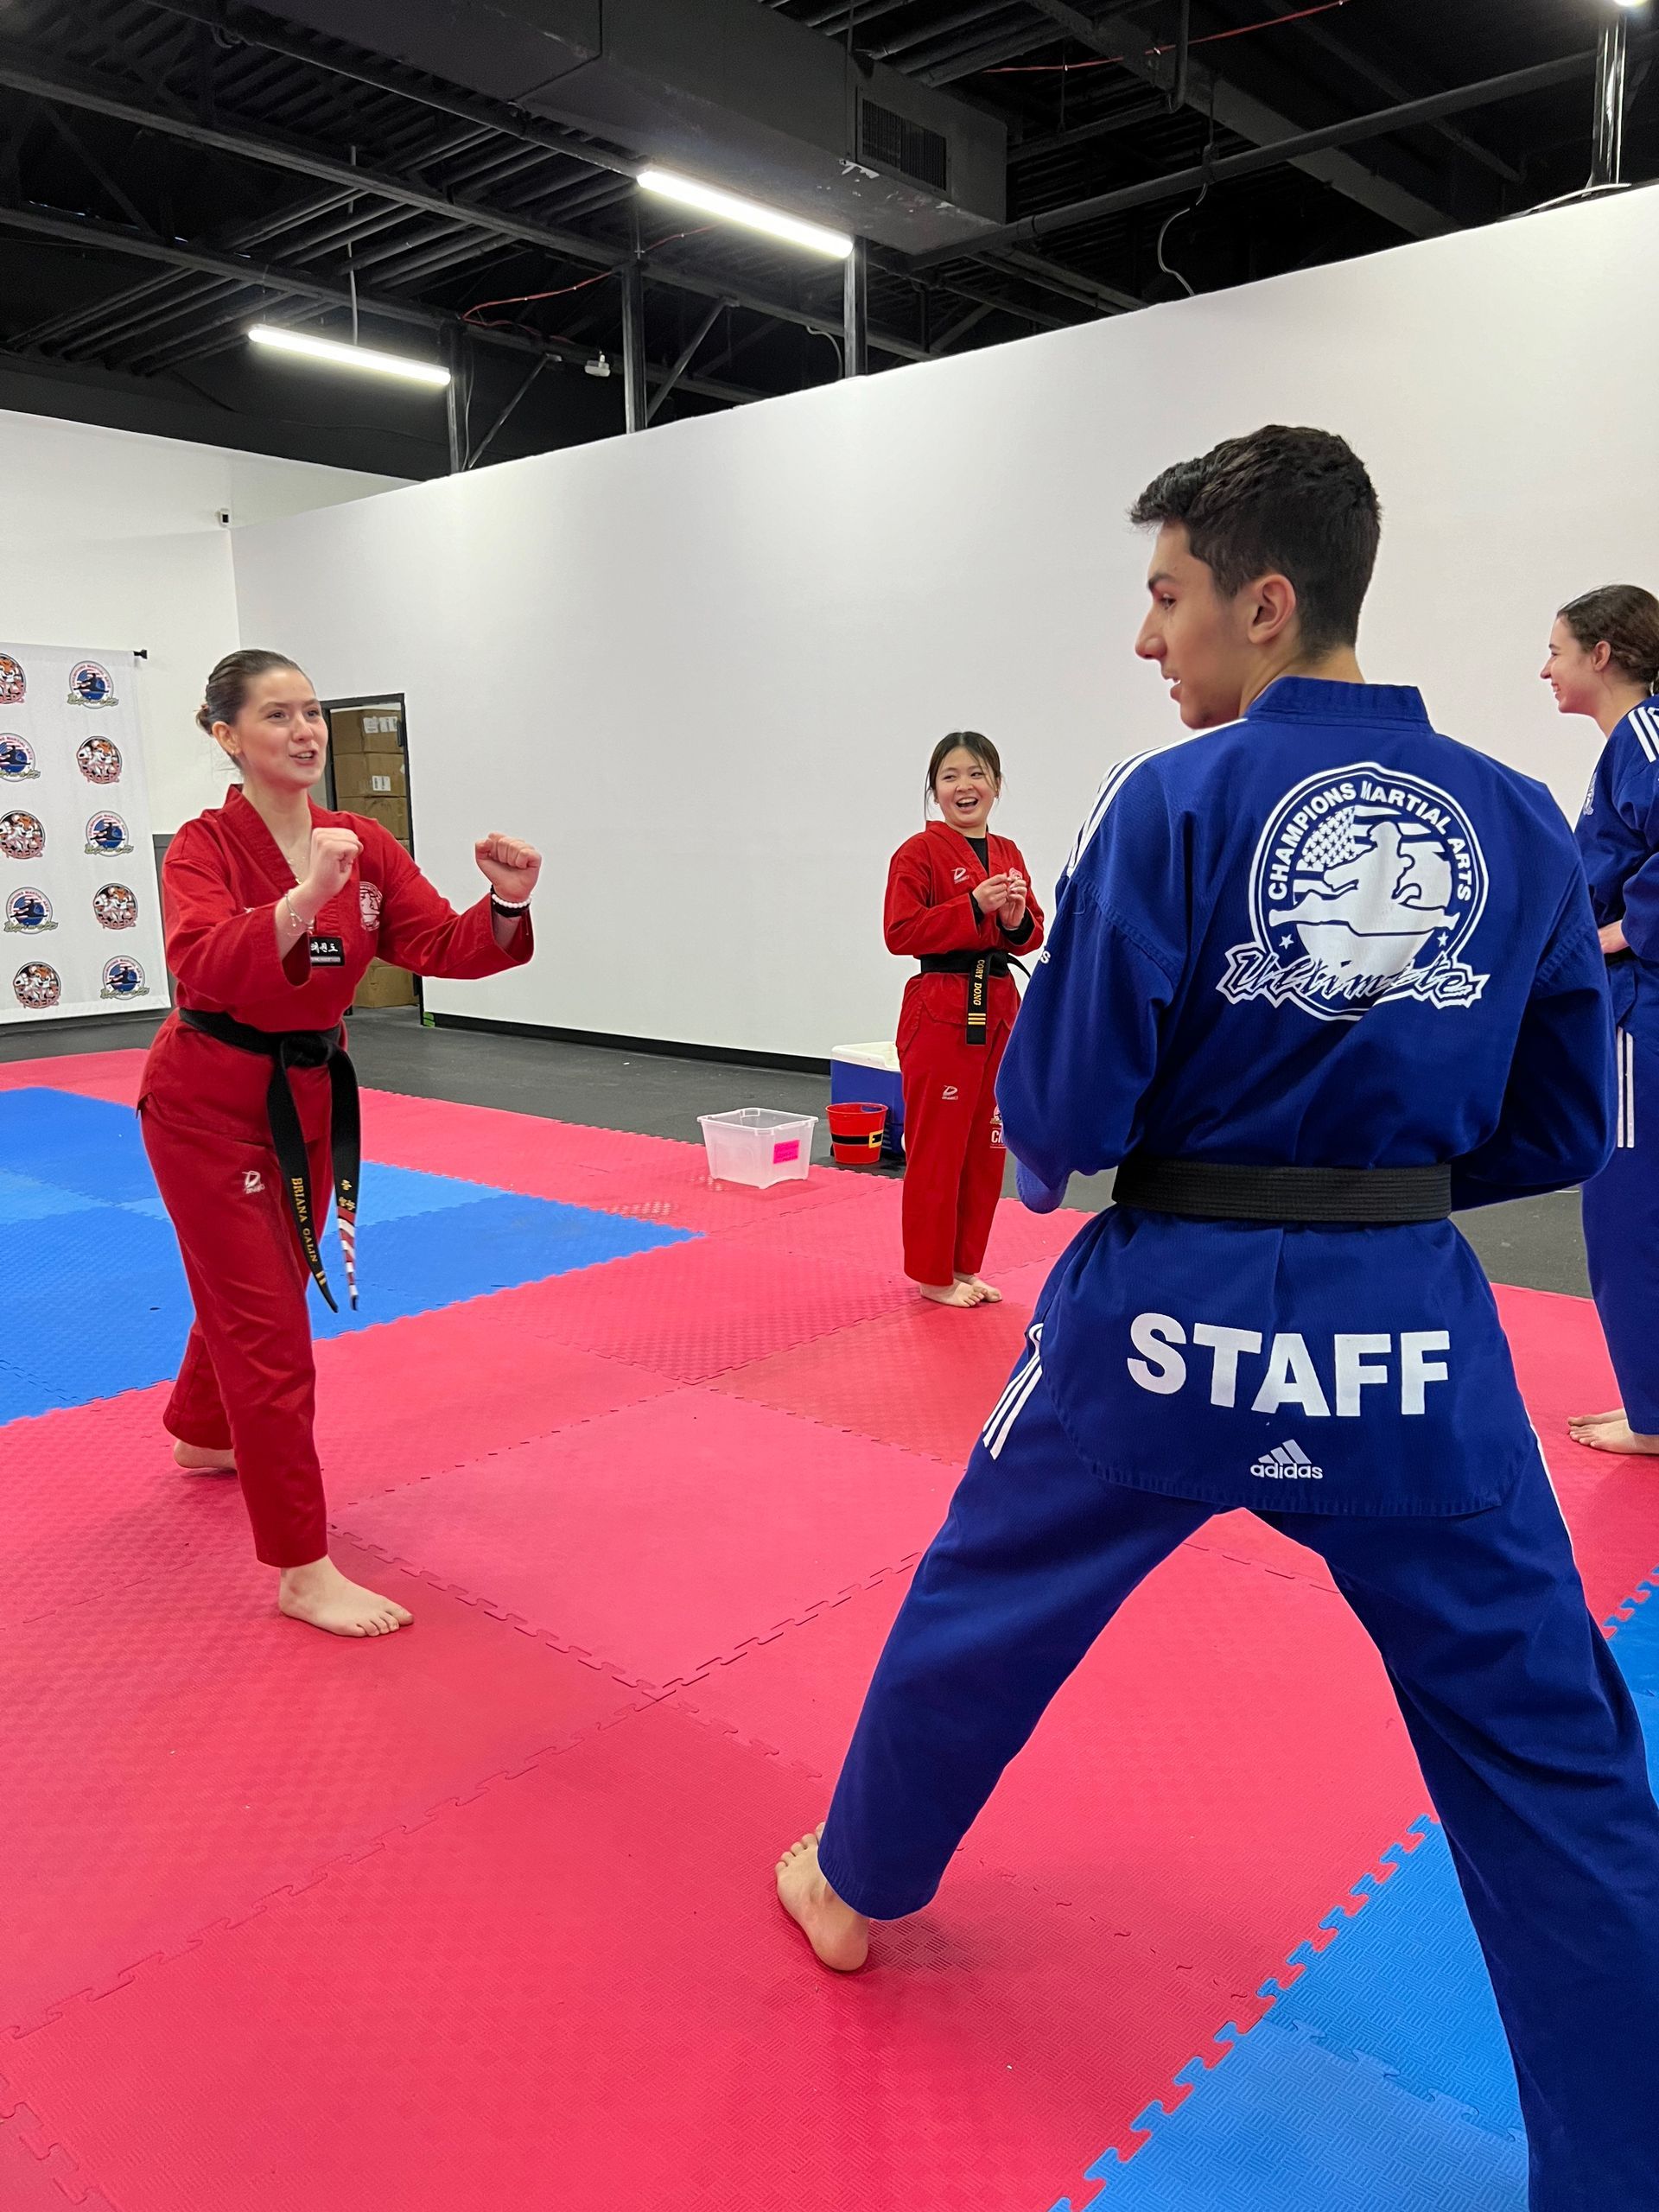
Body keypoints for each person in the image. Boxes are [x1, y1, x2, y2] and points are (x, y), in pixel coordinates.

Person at [776, 427, 1659, 2204]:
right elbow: (1571, 1125)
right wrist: (1386, 1187)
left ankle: (853, 1882)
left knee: (985, 1602)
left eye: (1167, 595)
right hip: (1408, 1325)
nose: (1145, 638)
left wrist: (1057, 1168)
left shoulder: (1167, 807)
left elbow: (1078, 1111)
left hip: (1166, 1310)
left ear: (1265, 601)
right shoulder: (1510, 814)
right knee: (1553, 1744)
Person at [140, 649, 540, 1637]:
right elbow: (200, 963)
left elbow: (438, 947)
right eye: (277, 715)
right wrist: (297, 902)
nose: (305, 730)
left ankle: (201, 1432)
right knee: (270, 1328)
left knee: (255, 1286)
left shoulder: (357, 838)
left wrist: (508, 903)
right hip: (207, 1104)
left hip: (310, 1097)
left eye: (311, 711)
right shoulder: (201, 847)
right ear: (227, 736)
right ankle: (302, 1567)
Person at [1541, 585, 1659, 1459]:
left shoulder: (1649, 737)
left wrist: (1619, 933)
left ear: (1604, 653)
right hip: (1630, 1003)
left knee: (1627, 1208)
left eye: (1557, 649)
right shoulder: (1627, 749)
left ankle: (1654, 1413)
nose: (1545, 667)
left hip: (1643, 1012)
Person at [883, 734, 1045, 1307]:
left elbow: (1031, 935)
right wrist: (973, 905)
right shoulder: (916, 854)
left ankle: (963, 1265)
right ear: (935, 791)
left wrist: (1017, 915)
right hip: (943, 1006)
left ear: (996, 786)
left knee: (987, 1145)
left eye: (976, 774)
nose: (964, 786)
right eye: (949, 776)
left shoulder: (1007, 851)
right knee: (938, 1147)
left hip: (999, 1006)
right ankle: (931, 1274)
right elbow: (899, 933)